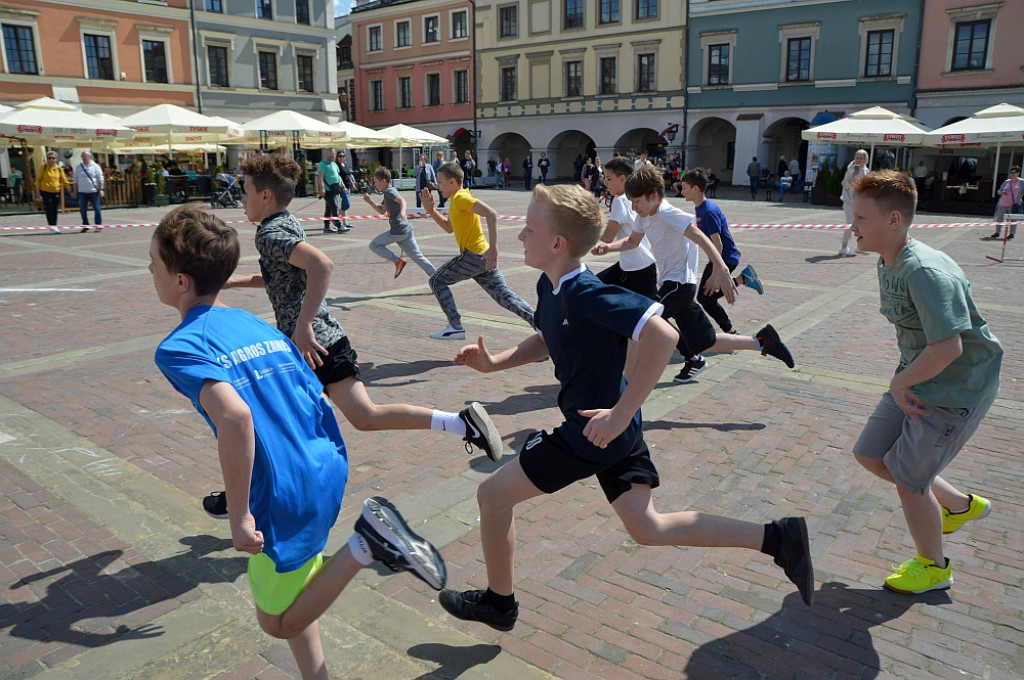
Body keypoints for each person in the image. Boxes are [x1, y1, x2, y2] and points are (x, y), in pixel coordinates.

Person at [437, 184, 814, 632]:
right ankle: (778, 537)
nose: (520, 235)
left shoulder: (586, 292)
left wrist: (618, 412)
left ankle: (499, 605)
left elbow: (663, 336)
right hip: (616, 429)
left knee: (492, 496)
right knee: (647, 528)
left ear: (557, 243)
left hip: (592, 432)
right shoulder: (550, 285)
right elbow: (547, 337)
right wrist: (494, 362)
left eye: (529, 228)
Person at [150, 205, 447, 680]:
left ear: (181, 280)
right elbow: (311, 395)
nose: (150, 271)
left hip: (281, 491)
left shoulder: (181, 346)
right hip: (321, 465)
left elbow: (235, 416)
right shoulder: (259, 326)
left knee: (278, 620)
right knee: (296, 587)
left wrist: (240, 512)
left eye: (154, 264)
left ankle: (366, 545)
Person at [201, 154, 504, 520]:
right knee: (364, 417)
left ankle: (245, 497)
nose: (241, 199)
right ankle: (461, 423)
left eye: (246, 191)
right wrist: (230, 282)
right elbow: (284, 277)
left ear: (265, 195)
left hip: (310, 346)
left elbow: (321, 265)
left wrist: (302, 324)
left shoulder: (269, 232)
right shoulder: (285, 222)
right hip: (324, 342)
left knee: (264, 420)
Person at [848, 170, 1002, 594]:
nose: (852, 226)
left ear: (893, 221)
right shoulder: (888, 259)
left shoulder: (926, 271)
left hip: (956, 389)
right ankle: (958, 506)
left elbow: (949, 348)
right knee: (870, 454)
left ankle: (934, 568)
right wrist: (904, 381)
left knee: (910, 483)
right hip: (919, 377)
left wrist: (900, 385)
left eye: (861, 218)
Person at [593, 167, 795, 384]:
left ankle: (626, 387)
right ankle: (763, 341)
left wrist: (722, 270)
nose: (634, 207)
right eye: (630, 202)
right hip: (676, 288)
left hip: (679, 286)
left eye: (637, 202)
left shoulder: (669, 214)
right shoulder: (644, 216)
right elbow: (632, 241)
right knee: (705, 341)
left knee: (638, 321)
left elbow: (700, 237)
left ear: (653, 196)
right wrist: (608, 247)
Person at [420, 161, 535, 340]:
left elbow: (491, 214)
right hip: (481, 256)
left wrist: (494, 249)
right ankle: (543, 326)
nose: (437, 186)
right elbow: (449, 227)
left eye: (440, 182)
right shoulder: (458, 199)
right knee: (505, 297)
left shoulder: (460, 198)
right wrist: (431, 210)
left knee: (436, 281)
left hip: (474, 255)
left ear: (452, 181)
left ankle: (455, 325)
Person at [678, 169, 763, 335]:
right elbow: (721, 230)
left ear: (695, 188)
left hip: (723, 259)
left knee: (706, 299)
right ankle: (744, 279)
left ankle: (731, 332)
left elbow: (718, 244)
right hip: (723, 258)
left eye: (684, 188)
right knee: (706, 297)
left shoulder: (707, 211)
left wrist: (716, 274)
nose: (682, 192)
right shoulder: (702, 208)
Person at [365, 167, 436, 279]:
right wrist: (370, 202)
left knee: (374, 245)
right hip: (406, 230)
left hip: (398, 230)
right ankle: (437, 277)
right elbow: (382, 210)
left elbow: (402, 200)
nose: (375, 184)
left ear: (383, 181)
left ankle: (398, 261)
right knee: (419, 257)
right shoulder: (389, 191)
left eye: (376, 182)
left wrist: (403, 212)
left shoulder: (389, 191)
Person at [839, 149, 870, 256]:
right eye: (857, 157)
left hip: (860, 202)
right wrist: (853, 176)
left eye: (861, 158)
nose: (858, 160)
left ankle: (860, 246)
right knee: (850, 223)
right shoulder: (851, 169)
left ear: (865, 159)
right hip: (849, 201)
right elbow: (846, 185)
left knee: (862, 224)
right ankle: (844, 247)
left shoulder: (866, 171)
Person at [36, 151, 71, 234]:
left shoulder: (59, 169)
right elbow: (38, 179)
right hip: (46, 191)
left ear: (56, 159)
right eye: (49, 158)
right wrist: (37, 191)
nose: (51, 160)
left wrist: (70, 189)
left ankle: (55, 225)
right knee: (49, 209)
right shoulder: (43, 167)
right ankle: (51, 226)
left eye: (53, 158)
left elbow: (64, 179)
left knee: (55, 209)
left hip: (56, 191)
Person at [315, 149, 347, 234]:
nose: (332, 156)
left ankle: (327, 227)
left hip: (335, 189)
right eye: (330, 154)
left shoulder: (335, 164)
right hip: (327, 190)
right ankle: (339, 226)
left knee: (328, 209)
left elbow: (338, 176)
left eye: (333, 154)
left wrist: (343, 187)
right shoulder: (323, 164)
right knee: (334, 207)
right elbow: (320, 177)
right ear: (327, 154)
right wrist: (321, 188)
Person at [74, 150, 105, 233]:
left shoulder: (95, 166)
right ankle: (85, 225)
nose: (83, 158)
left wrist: (101, 189)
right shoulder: (78, 167)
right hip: (82, 192)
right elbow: (76, 180)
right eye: (82, 156)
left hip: (93, 191)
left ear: (89, 157)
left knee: (97, 209)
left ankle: (98, 225)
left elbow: (100, 179)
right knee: (83, 209)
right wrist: (75, 191)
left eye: (85, 156)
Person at [991, 165, 1022, 239]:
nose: (1012, 174)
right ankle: (997, 232)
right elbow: (999, 191)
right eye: (1011, 172)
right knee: (999, 218)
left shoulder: (1021, 182)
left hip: (1014, 204)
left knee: (1013, 219)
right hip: (1003, 203)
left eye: (1014, 172)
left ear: (1018, 173)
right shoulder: (1006, 181)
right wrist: (1001, 192)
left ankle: (1012, 233)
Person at [335, 151, 355, 229]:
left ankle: (345, 222)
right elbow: (339, 177)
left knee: (344, 205)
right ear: (337, 157)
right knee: (346, 204)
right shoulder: (337, 166)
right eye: (340, 156)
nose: (342, 157)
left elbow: (348, 175)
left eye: (343, 156)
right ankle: (335, 217)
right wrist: (343, 187)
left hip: (348, 187)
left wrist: (352, 184)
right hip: (342, 188)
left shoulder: (345, 165)